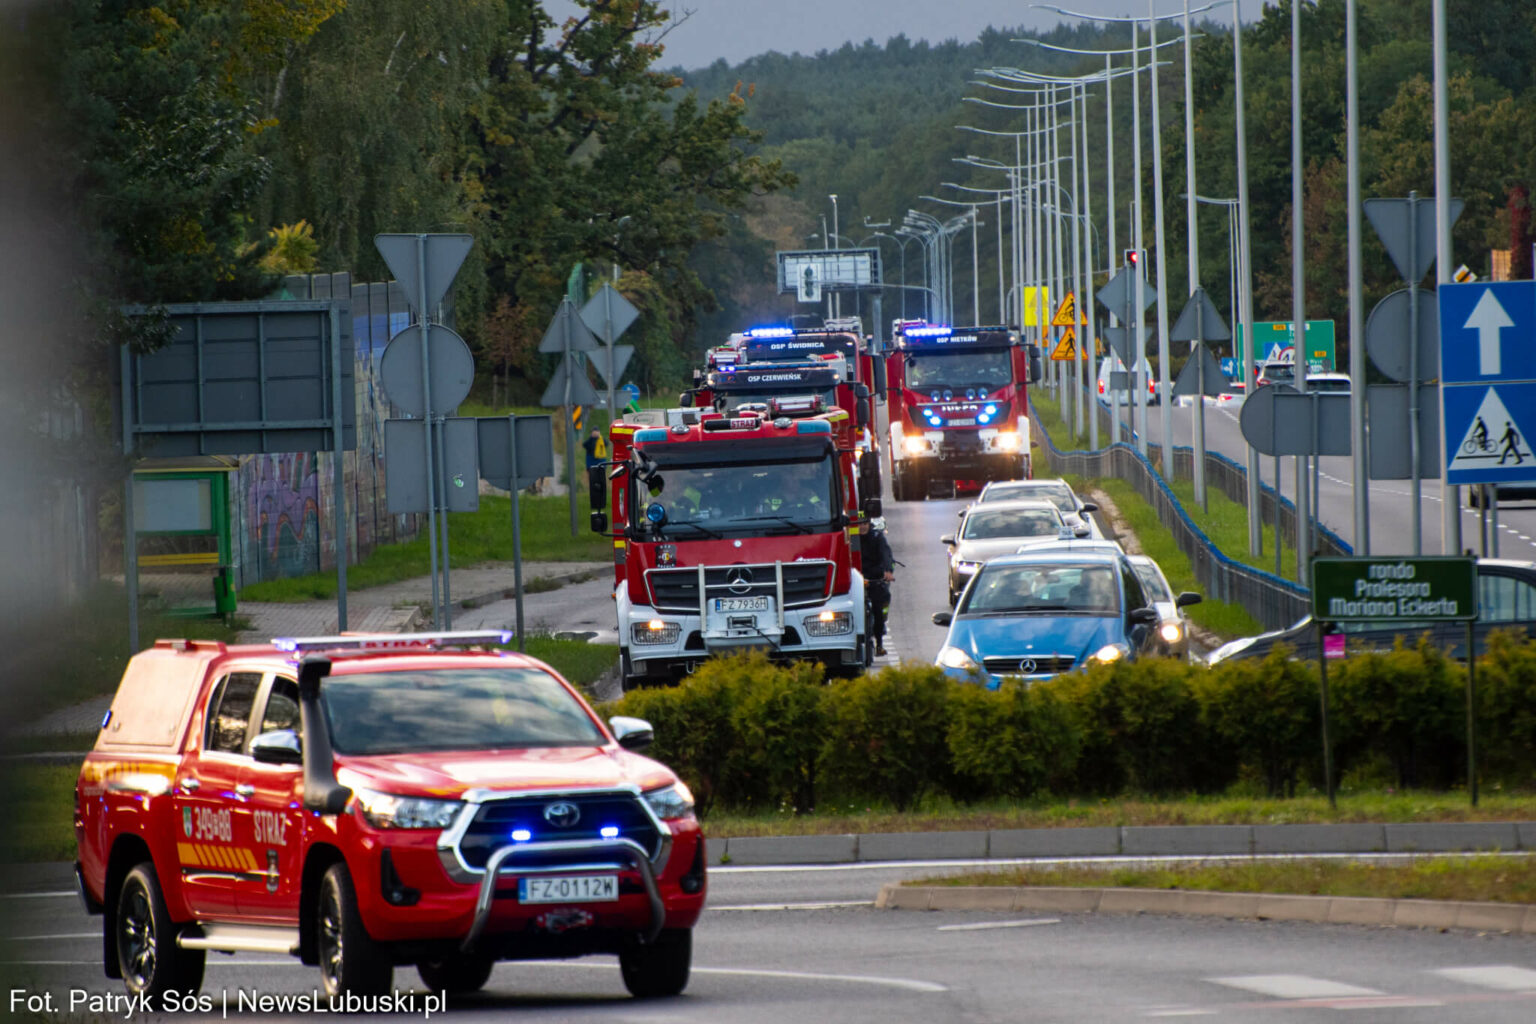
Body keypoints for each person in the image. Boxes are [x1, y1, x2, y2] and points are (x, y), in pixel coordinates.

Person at [860, 517, 895, 656]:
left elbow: (885, 554)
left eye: (865, 524)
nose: (862, 527)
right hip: (858, 577)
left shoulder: (877, 537)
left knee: (878, 608)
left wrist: (887, 571)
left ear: (869, 524)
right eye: (860, 524)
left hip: (875, 577)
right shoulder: (850, 537)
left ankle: (879, 644)